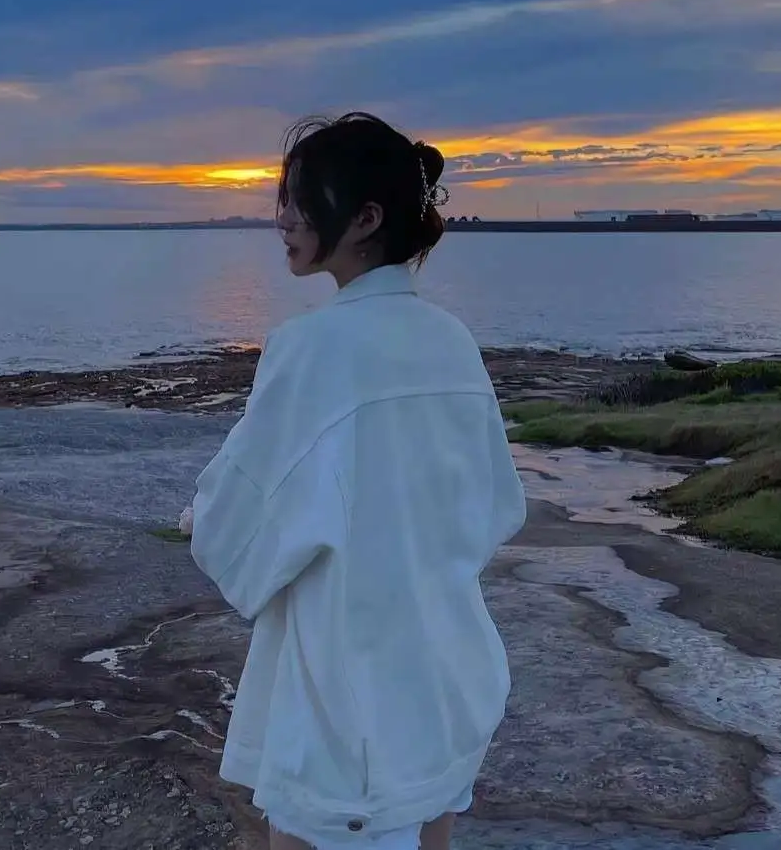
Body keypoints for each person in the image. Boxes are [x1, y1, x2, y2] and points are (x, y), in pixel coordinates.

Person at [182, 112, 527, 850]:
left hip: (347, 696)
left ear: (365, 218)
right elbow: (496, 505)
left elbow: (239, 516)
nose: (283, 218)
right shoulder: (450, 339)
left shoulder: (312, 346)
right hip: (449, 674)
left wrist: (201, 521)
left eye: (302, 199)